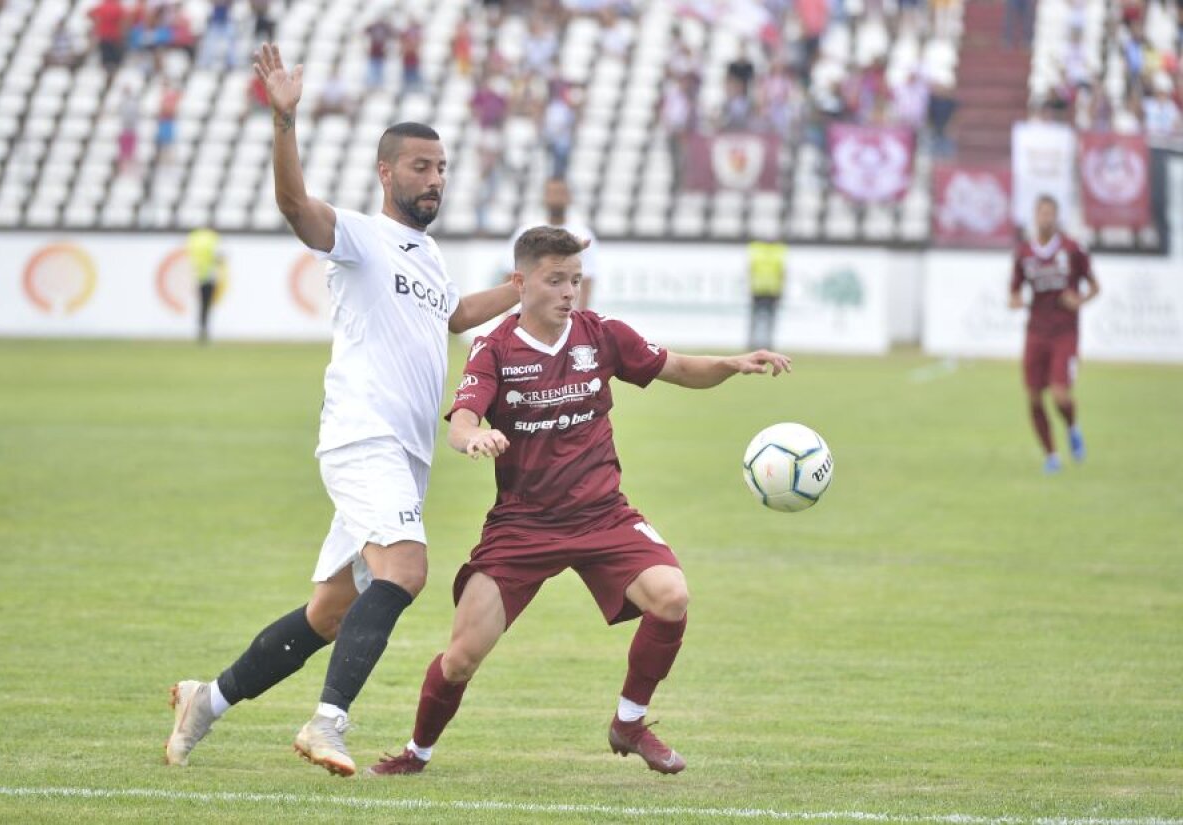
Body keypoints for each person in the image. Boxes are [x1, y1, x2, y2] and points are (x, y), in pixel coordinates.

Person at [164, 43, 519, 777]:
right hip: (365, 437)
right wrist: (284, 122)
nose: (435, 179)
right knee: (408, 569)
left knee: (328, 612)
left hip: (403, 453)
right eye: (421, 166)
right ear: (386, 172)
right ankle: (328, 722)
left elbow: (452, 317)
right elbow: (296, 207)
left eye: (443, 167)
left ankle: (208, 699)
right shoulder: (360, 234)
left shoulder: (426, 254)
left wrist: (525, 288)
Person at [369, 227, 792, 778]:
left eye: (575, 280)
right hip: (523, 525)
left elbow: (678, 368)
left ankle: (630, 723)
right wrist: (474, 437)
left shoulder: (602, 334)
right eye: (555, 280)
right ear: (520, 282)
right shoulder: (494, 348)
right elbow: (464, 419)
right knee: (461, 658)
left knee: (671, 596)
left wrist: (732, 364)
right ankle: (416, 754)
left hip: (602, 515)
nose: (570, 292)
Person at [1008, 194, 1100, 474]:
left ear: (1056, 216)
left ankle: (1072, 426)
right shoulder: (1024, 252)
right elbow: (1013, 292)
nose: (1045, 218)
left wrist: (1080, 300)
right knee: (1035, 397)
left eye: (1050, 213)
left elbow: (1095, 286)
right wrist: (1016, 301)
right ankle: (1051, 455)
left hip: (1064, 333)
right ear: (1035, 217)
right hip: (1036, 332)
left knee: (1060, 395)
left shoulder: (1072, 249)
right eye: (1041, 213)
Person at [507, 178, 599, 310]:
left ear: (569, 197)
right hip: (529, 314)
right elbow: (510, 274)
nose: (556, 198)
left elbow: (587, 280)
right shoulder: (526, 231)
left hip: (566, 314)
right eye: (552, 193)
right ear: (544, 197)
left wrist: (581, 316)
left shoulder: (584, 233)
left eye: (560, 192)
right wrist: (506, 315)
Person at [747, 239, 787, 350]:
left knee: (768, 320)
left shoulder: (757, 248)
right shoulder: (777, 250)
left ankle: (766, 344)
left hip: (770, 290)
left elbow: (782, 272)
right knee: (758, 320)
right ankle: (753, 344)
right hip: (759, 290)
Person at [186, 227, 223, 343]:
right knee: (206, 305)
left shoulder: (194, 239)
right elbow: (218, 257)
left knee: (202, 305)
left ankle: (201, 329)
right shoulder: (212, 240)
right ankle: (204, 330)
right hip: (210, 277)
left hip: (198, 277)